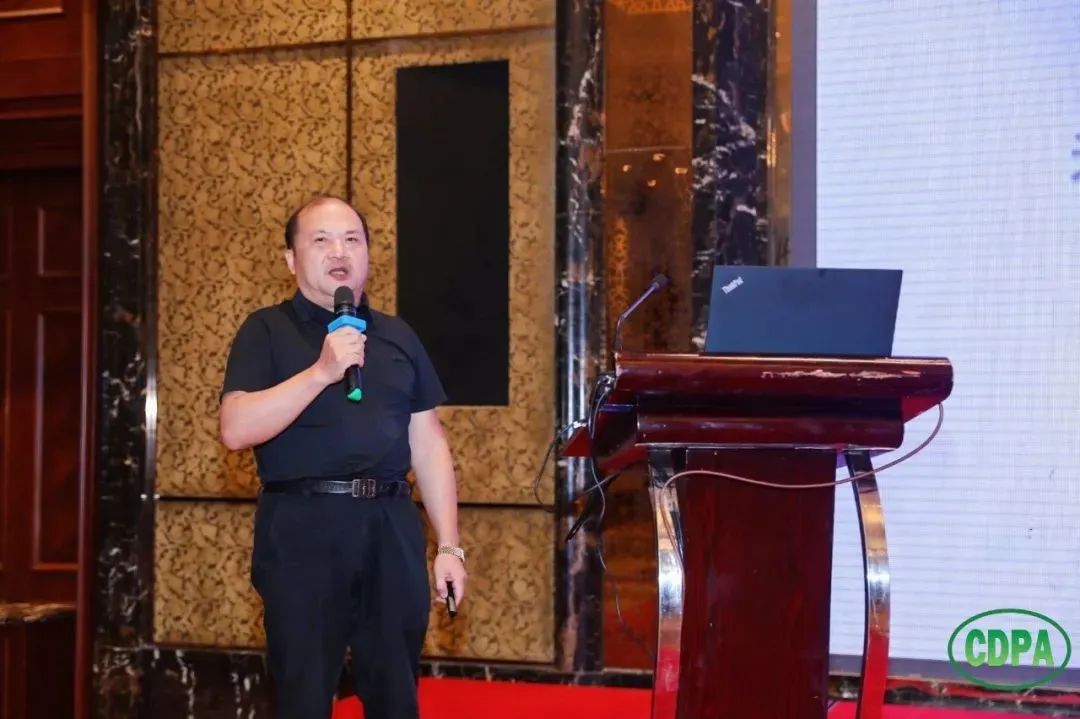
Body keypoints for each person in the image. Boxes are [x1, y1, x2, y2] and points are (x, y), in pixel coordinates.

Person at [218, 195, 467, 719]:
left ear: (369, 255)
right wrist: (321, 373)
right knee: (303, 697)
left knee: (396, 696)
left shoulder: (398, 335)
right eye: (321, 240)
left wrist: (449, 546)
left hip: (391, 527)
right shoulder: (266, 330)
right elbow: (235, 429)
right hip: (302, 530)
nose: (339, 252)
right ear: (291, 259)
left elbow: (428, 442)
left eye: (352, 240)